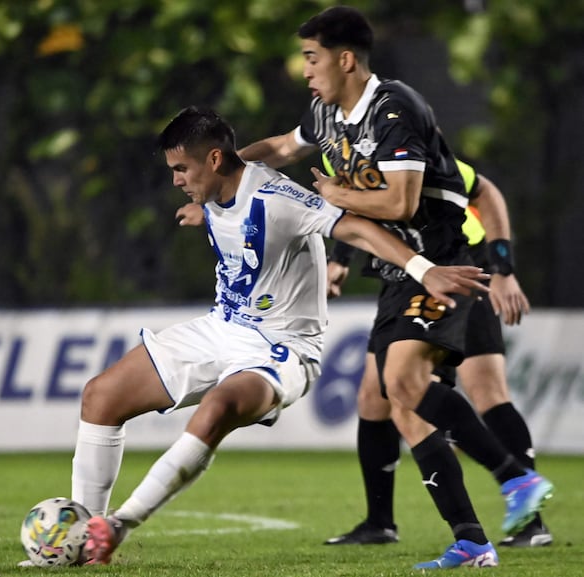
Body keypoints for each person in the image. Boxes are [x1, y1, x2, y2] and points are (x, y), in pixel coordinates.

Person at [176, 6, 553, 569]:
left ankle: (515, 480)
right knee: (389, 401)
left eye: (312, 57)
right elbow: (282, 147)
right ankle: (470, 539)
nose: (304, 69)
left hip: (444, 258)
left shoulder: (394, 109)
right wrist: (222, 172)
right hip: (404, 268)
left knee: (416, 382)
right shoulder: (328, 115)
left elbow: (399, 202)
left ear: (345, 59)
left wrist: (332, 197)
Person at [70, 106, 490, 566]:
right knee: (100, 396)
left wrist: (423, 270)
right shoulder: (214, 187)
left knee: (218, 408)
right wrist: (201, 203)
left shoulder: (277, 197)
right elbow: (252, 154)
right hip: (221, 327)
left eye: (180, 169)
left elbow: (356, 227)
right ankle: (82, 540)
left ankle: (117, 526)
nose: (175, 181)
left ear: (212, 160)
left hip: (281, 349)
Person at [323, 160, 552, 548]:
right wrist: (340, 259)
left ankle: (529, 516)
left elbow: (486, 191)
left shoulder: (412, 146)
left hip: (463, 265)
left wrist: (502, 269)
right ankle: (380, 522)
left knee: (485, 391)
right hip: (404, 274)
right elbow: (359, 207)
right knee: (374, 397)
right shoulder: (340, 143)